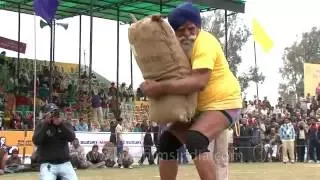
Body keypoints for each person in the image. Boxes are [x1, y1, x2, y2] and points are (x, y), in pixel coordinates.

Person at [140, 2, 242, 180]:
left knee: (195, 140)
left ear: (199, 26)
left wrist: (160, 88)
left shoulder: (205, 42)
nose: (187, 34)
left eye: (191, 28)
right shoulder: (177, 48)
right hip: (200, 108)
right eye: (180, 30)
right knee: (166, 144)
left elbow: (199, 82)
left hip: (225, 103)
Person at [32, 103, 78, 180]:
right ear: (46, 114)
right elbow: (36, 141)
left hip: (65, 163)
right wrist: (46, 123)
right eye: (51, 113)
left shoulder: (65, 123)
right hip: (48, 164)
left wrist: (61, 124)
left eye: (55, 112)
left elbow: (72, 138)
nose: (53, 115)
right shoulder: (41, 125)